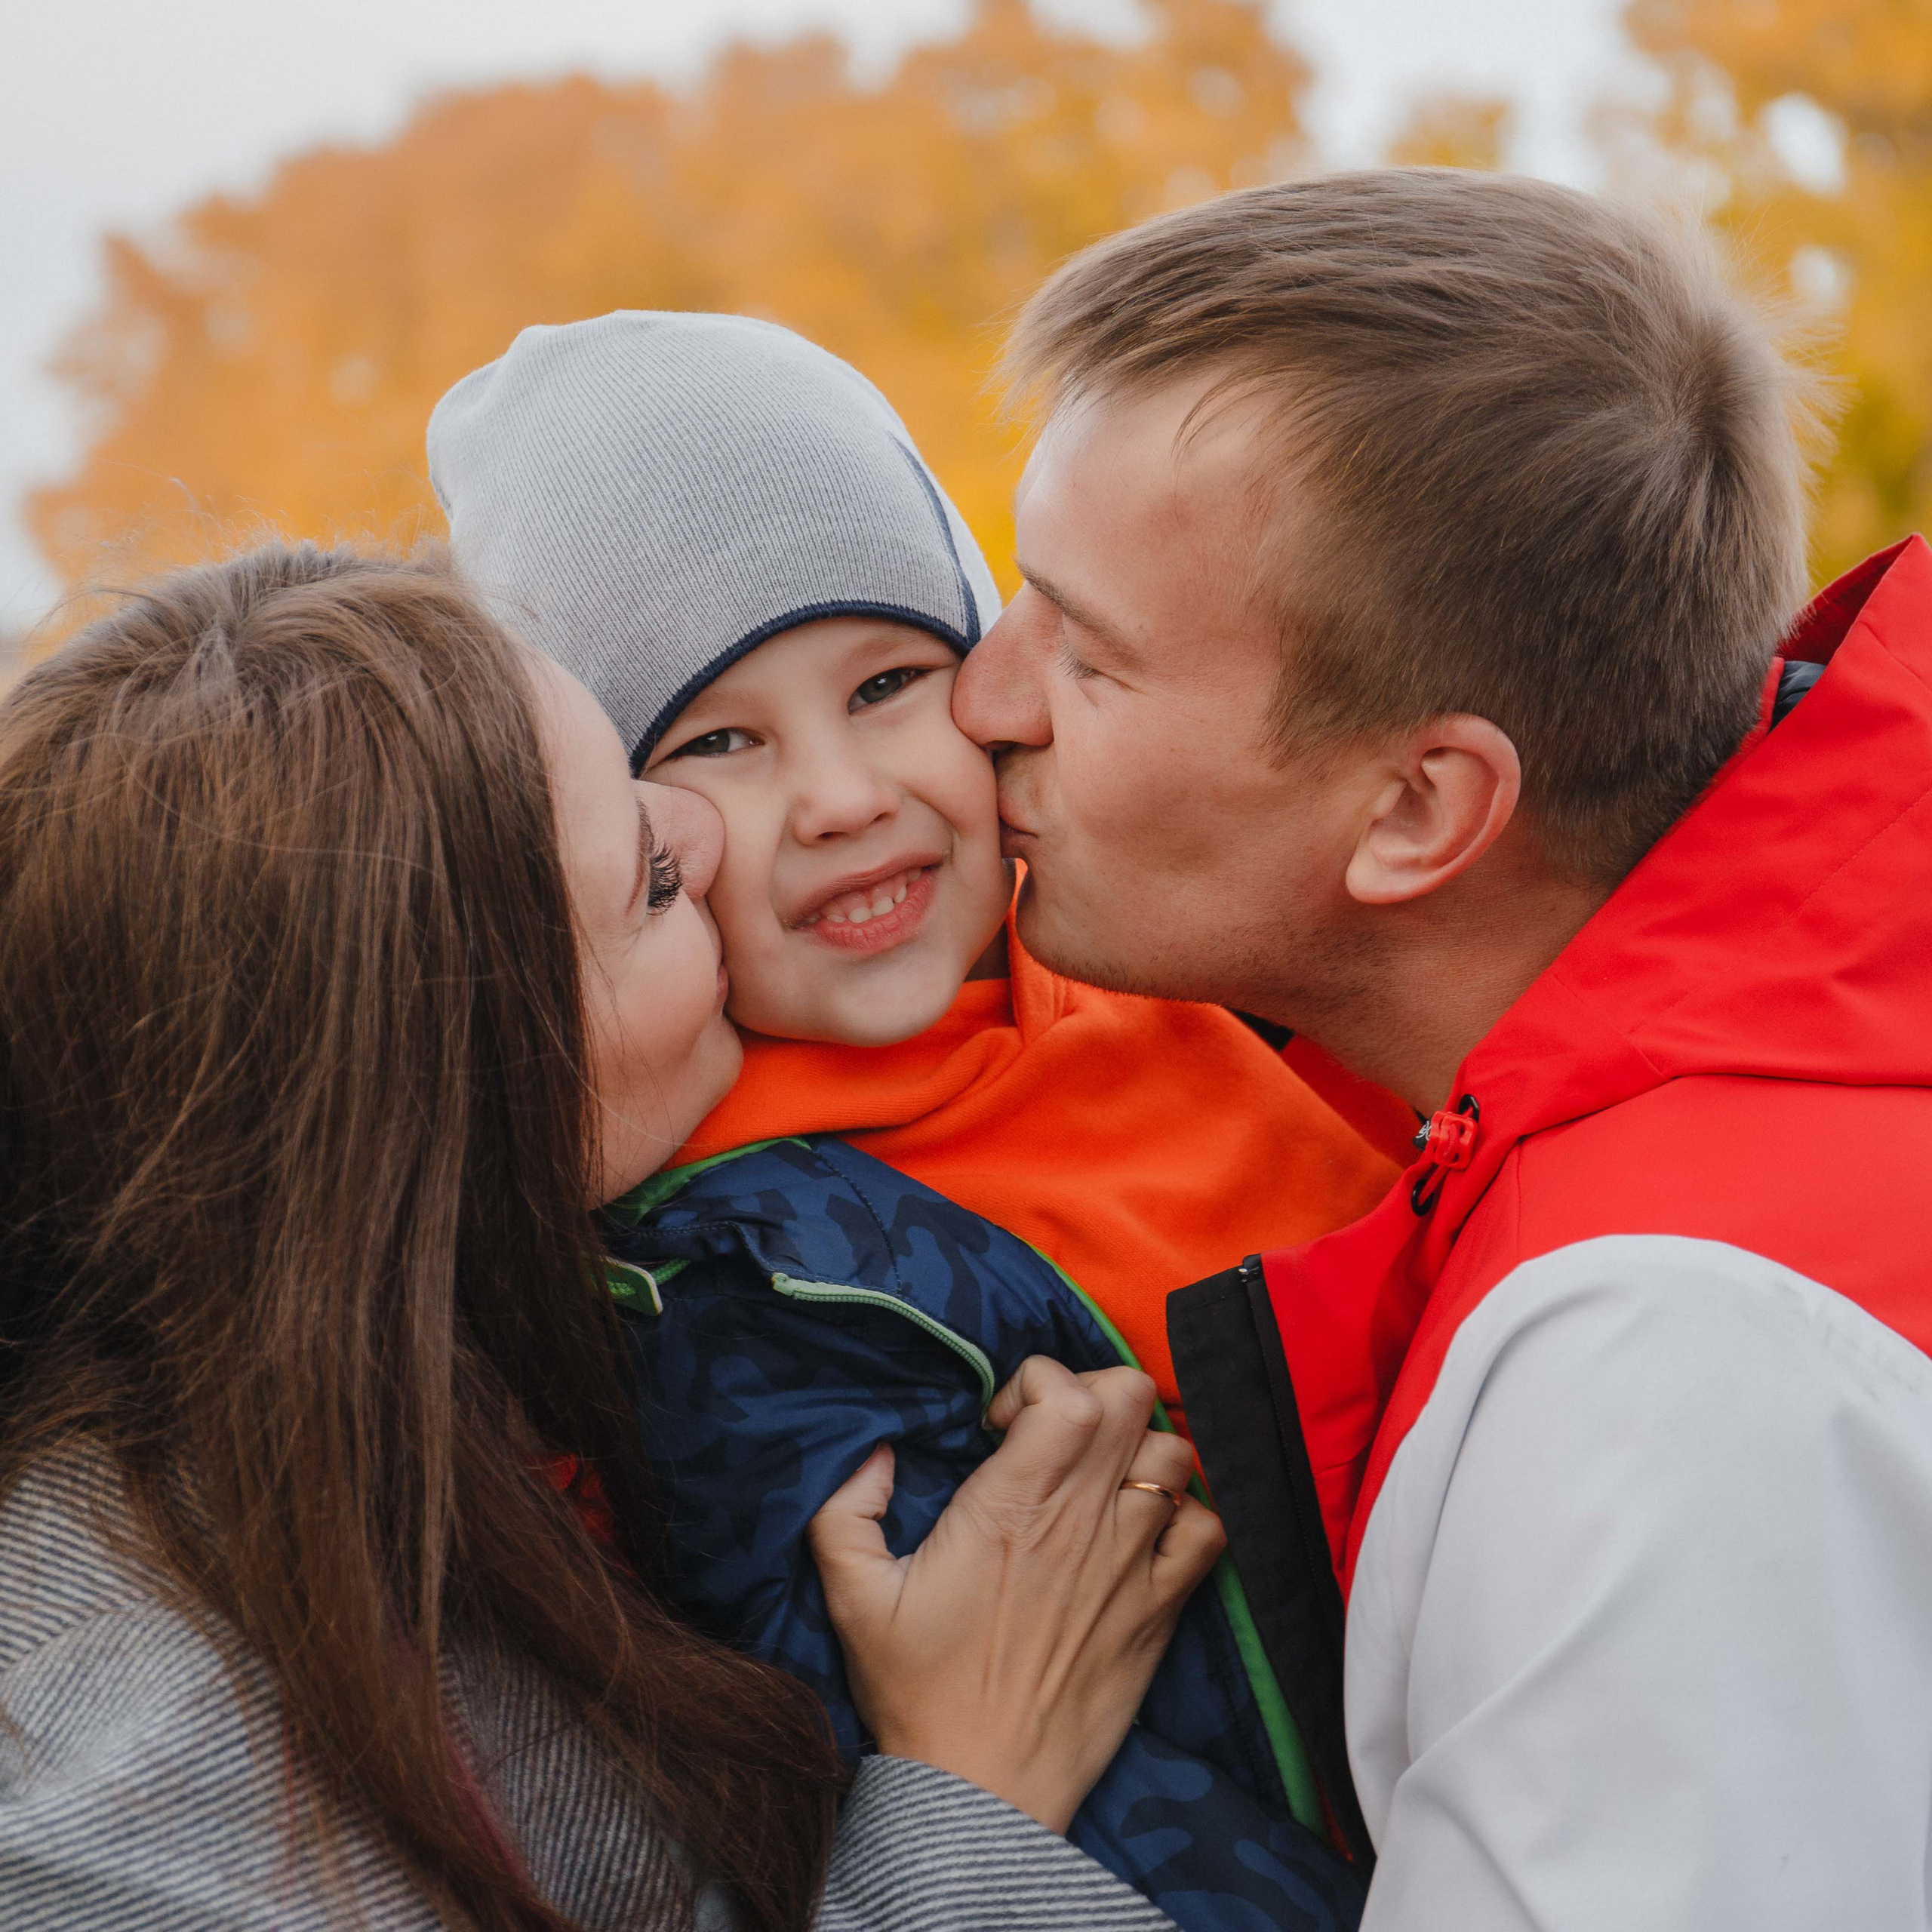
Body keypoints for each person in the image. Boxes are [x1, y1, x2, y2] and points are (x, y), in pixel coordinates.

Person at [952, 165, 1932, 1929]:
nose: (980, 700)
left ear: (1417, 807)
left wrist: (953, 1830)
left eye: (1087, 662)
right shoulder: (1726, 1121)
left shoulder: (1661, 1360)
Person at [0, 541, 1225, 1932]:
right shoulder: (113, 1796)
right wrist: (968, 1791)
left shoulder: (503, 1372)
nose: (703, 834)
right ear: (449, 1108)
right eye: (647, 880)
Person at [426, 312, 1386, 1931]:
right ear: (613, 823)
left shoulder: (1172, 965)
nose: (843, 793)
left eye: (888, 683)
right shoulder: (744, 1281)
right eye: (717, 739)